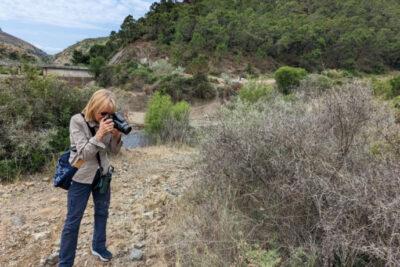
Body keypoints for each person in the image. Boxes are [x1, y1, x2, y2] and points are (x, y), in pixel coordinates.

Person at [58, 89, 122, 267]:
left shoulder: (108, 122)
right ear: (93, 107)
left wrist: (117, 134)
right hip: (81, 177)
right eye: (103, 113)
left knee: (102, 213)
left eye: (110, 114)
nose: (106, 117)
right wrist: (100, 133)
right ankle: (65, 263)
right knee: (73, 221)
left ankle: (99, 247)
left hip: (102, 175)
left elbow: (115, 151)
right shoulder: (77, 121)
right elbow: (84, 153)